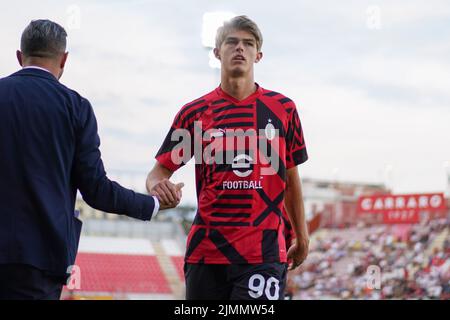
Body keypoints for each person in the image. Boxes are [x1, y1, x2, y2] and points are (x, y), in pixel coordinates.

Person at [0, 19, 181, 300]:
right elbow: (96, 191)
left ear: (19, 56)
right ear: (64, 59)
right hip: (39, 260)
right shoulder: (75, 107)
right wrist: (153, 204)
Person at [147, 15, 309, 300]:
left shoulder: (283, 109)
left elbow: (291, 179)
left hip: (264, 252)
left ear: (258, 55)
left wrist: (302, 235)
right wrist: (158, 188)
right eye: (231, 42)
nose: (239, 49)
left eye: (248, 44)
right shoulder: (195, 114)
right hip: (206, 252)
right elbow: (158, 173)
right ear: (216, 52)